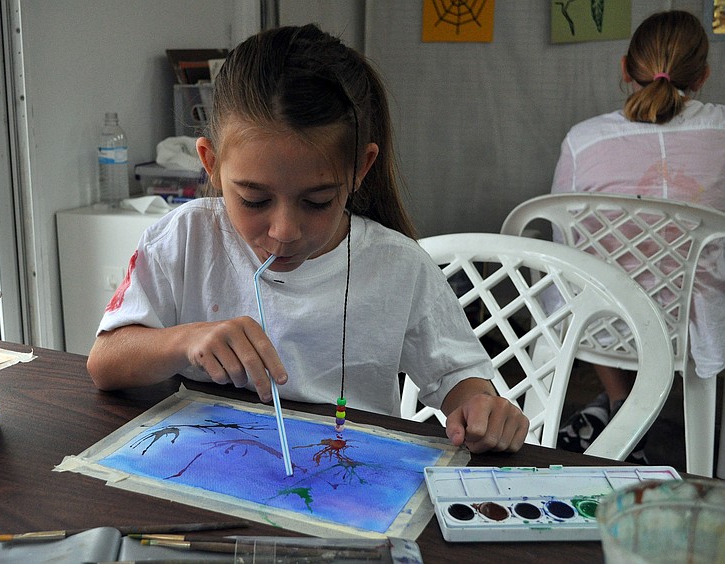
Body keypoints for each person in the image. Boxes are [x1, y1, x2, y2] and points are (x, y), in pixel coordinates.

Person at [87, 24, 528, 454]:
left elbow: (459, 380)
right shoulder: (185, 237)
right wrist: (185, 340)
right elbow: (105, 363)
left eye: (317, 201)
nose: (284, 231)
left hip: (345, 478)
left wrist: (479, 408)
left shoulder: (398, 267)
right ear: (212, 164)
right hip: (211, 465)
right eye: (254, 200)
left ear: (360, 170)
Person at [549, 10, 725, 462]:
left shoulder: (583, 141)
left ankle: (620, 403)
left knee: (580, 273)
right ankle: (637, 414)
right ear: (704, 75)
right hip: (701, 320)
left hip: (608, 321)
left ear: (625, 69)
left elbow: (561, 246)